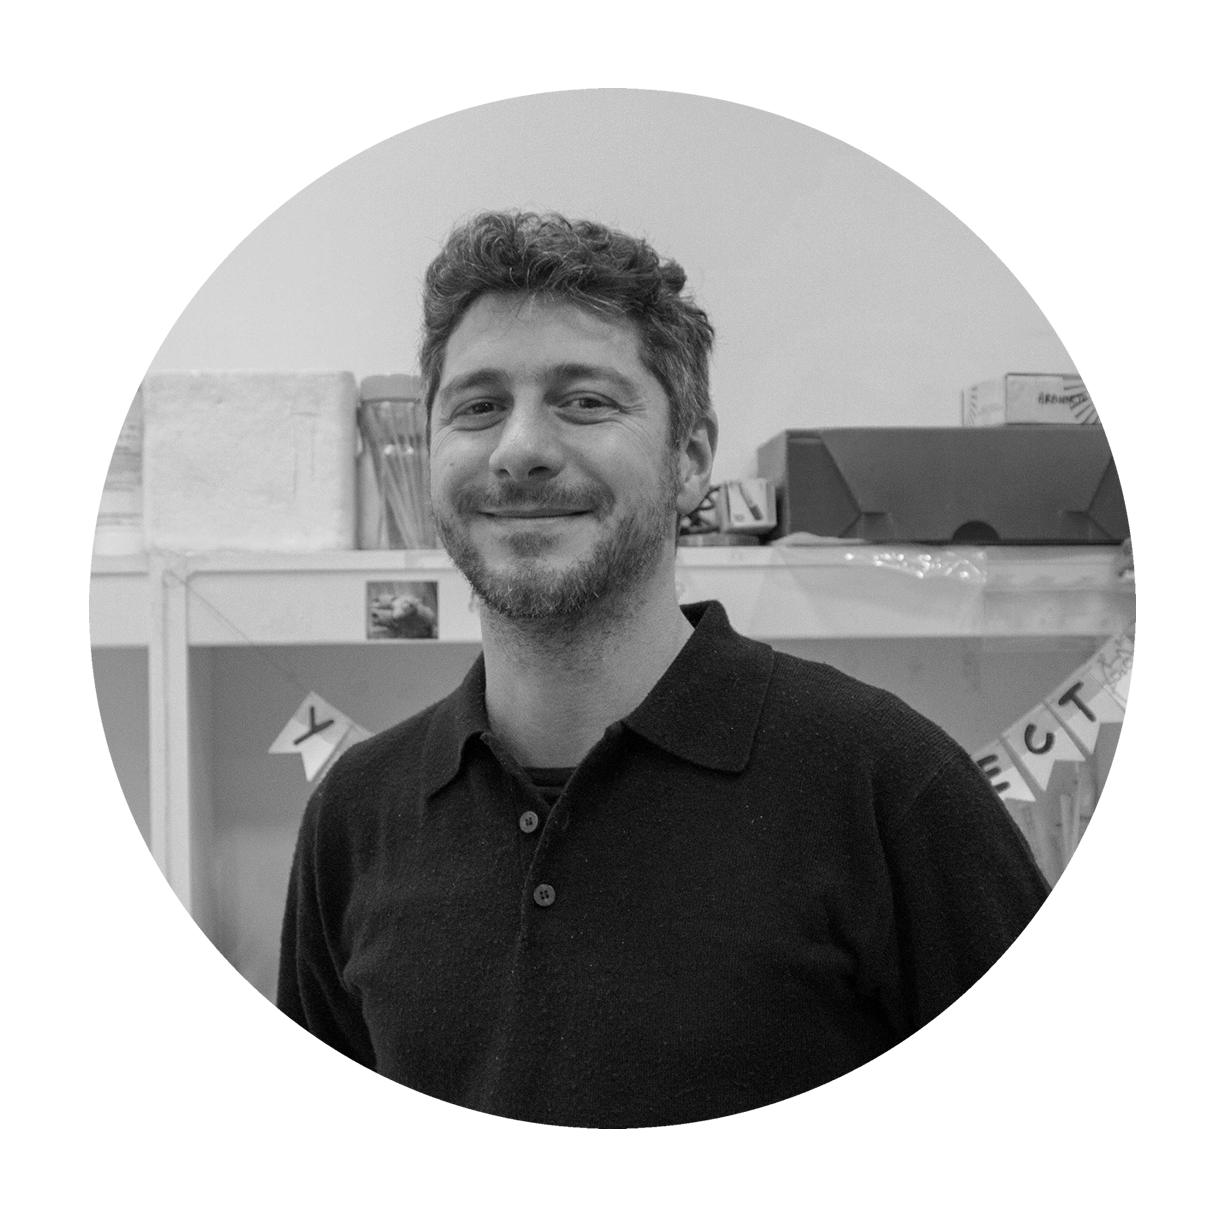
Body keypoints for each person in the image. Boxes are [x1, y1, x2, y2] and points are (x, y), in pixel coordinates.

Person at [277, 211, 1050, 1128]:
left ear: (689, 459)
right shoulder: (354, 816)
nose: (519, 449)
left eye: (584, 401)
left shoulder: (890, 786)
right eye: (477, 407)